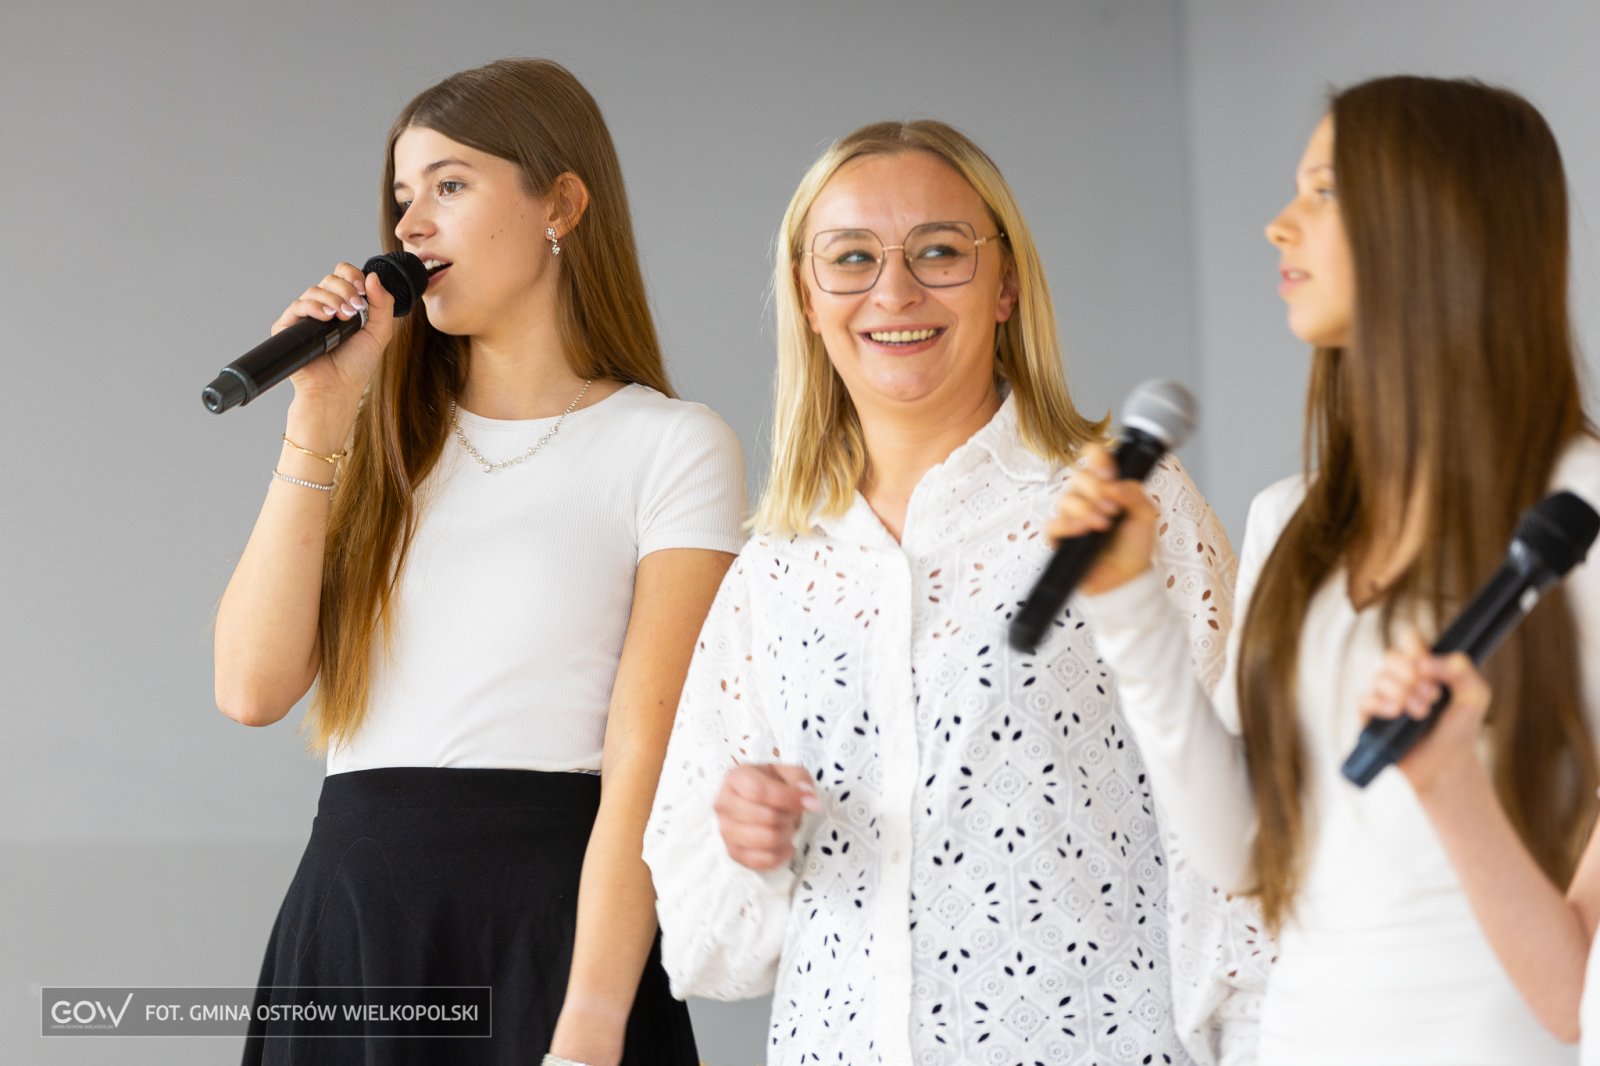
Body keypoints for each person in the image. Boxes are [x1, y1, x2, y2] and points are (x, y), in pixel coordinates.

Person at [644, 119, 1269, 1066]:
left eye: (939, 251)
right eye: (851, 257)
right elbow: (703, 948)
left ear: (1005, 283)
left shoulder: (1128, 502)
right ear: (807, 297)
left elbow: (1254, 828)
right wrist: (746, 840)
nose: (894, 291)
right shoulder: (774, 569)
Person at [1054, 75, 1600, 1064]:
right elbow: (1241, 854)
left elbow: (1575, 996)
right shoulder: (1294, 521)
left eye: (1324, 191)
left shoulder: (1580, 513)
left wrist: (1453, 789)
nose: (1278, 224)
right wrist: (1128, 603)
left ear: (1438, 221)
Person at [213, 58, 745, 1066]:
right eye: (402, 196)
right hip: (355, 927)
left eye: (449, 185)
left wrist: (591, 1019)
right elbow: (250, 688)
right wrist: (319, 414)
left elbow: (647, 766)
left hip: (545, 929)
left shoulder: (671, 445)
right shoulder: (378, 442)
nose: (410, 226)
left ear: (563, 205)